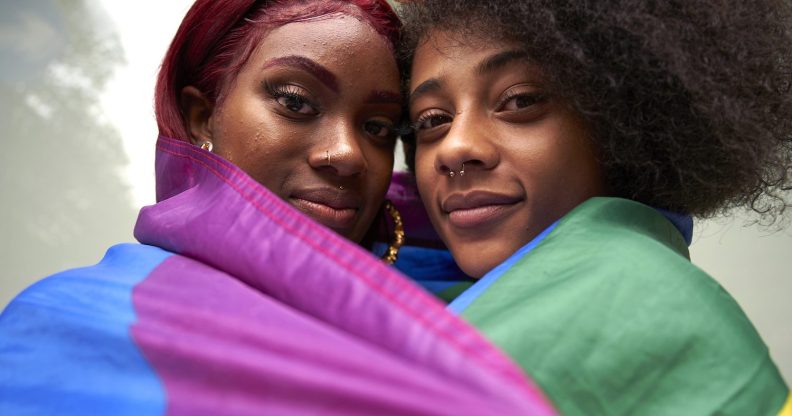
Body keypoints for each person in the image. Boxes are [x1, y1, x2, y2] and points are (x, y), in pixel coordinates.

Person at [0, 1, 556, 414]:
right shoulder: (71, 322)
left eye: (378, 127)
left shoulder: (497, 269)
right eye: (295, 102)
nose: (347, 154)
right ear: (201, 117)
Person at [398, 0, 792, 414]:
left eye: (519, 100)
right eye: (431, 120)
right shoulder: (408, 293)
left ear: (620, 121)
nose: (455, 147)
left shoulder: (642, 292)